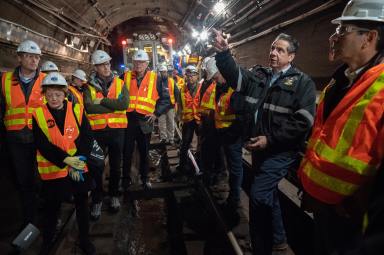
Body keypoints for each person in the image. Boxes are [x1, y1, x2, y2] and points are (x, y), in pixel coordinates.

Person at [213, 31, 317, 255]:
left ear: (291, 57)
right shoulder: (259, 76)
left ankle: (261, 246)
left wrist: (270, 139)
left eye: (280, 50)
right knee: (268, 195)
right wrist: (223, 53)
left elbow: (303, 122)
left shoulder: (302, 83)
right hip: (259, 147)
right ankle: (279, 242)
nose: (273, 53)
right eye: (272, 48)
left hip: (280, 150)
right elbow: (234, 75)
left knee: (259, 195)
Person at [297, 1, 384, 254]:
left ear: (369, 37)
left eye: (343, 31)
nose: (334, 37)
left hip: (355, 223)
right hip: (326, 210)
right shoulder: (338, 84)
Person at [32, 72, 95, 255]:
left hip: (78, 167)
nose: (54, 98)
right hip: (54, 171)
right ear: (44, 94)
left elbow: (87, 137)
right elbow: (42, 144)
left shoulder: (76, 110)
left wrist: (79, 159)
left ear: (64, 94)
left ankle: (85, 240)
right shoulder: (38, 114)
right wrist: (65, 159)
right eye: (50, 94)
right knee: (52, 208)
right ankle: (48, 242)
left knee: (82, 204)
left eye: (58, 94)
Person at [0, 40, 45, 228]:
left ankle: (47, 215)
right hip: (15, 139)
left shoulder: (46, 80)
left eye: (36, 57)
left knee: (43, 177)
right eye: (29, 56)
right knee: (23, 180)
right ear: (19, 57)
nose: (34, 60)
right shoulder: (4, 80)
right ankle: (29, 220)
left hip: (40, 137)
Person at [84, 50, 128, 219]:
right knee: (96, 166)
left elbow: (124, 104)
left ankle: (114, 195)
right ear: (95, 67)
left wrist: (102, 101)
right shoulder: (88, 87)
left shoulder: (119, 83)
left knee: (116, 165)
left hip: (117, 130)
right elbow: (89, 107)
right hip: (97, 132)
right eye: (102, 65)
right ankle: (97, 199)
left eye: (108, 64)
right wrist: (113, 105)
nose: (106, 67)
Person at [205, 58, 245, 210]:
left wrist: (233, 132)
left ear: (222, 72)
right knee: (228, 165)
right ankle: (232, 195)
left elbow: (242, 113)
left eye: (215, 77)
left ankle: (235, 199)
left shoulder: (235, 87)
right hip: (223, 132)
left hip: (233, 134)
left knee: (235, 168)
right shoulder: (220, 87)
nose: (215, 80)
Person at [122, 49, 159, 190]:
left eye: (141, 62)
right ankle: (126, 179)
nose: (138, 65)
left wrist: (157, 113)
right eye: (136, 62)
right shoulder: (124, 77)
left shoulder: (155, 78)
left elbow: (165, 98)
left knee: (144, 151)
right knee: (127, 152)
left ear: (147, 63)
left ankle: (145, 178)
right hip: (129, 120)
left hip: (145, 121)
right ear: (133, 63)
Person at [198, 57, 226, 187]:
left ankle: (218, 173)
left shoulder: (219, 84)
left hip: (216, 123)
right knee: (209, 149)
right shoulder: (207, 83)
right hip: (208, 122)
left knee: (217, 151)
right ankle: (209, 172)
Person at [177, 65, 202, 174]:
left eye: (193, 75)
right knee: (185, 143)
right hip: (188, 120)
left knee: (202, 144)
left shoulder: (202, 88)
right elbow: (180, 106)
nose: (191, 78)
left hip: (199, 120)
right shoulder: (182, 90)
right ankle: (183, 166)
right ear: (186, 77)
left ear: (197, 76)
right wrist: (179, 119)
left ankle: (202, 165)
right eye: (189, 76)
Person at [156, 64, 179, 144]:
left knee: (170, 122)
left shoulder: (171, 81)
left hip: (170, 106)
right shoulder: (157, 82)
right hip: (160, 106)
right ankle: (163, 138)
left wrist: (175, 103)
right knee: (162, 122)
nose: (163, 74)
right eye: (161, 72)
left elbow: (176, 92)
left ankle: (171, 138)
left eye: (164, 72)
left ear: (167, 72)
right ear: (159, 73)